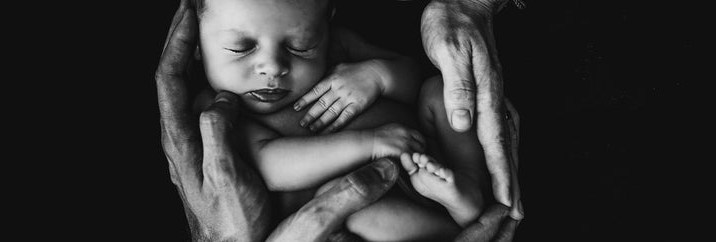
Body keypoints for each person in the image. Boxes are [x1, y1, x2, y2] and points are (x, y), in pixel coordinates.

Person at [155, 0, 523, 241]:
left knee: (437, 90)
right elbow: (270, 165)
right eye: (240, 48)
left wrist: (378, 76)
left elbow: (411, 79)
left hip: (425, 150)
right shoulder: (219, 109)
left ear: (326, 25)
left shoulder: (339, 48)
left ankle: (468, 189)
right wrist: (370, 143)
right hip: (376, 194)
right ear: (198, 47)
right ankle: (457, 226)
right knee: (365, 218)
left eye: (301, 46)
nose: (273, 67)